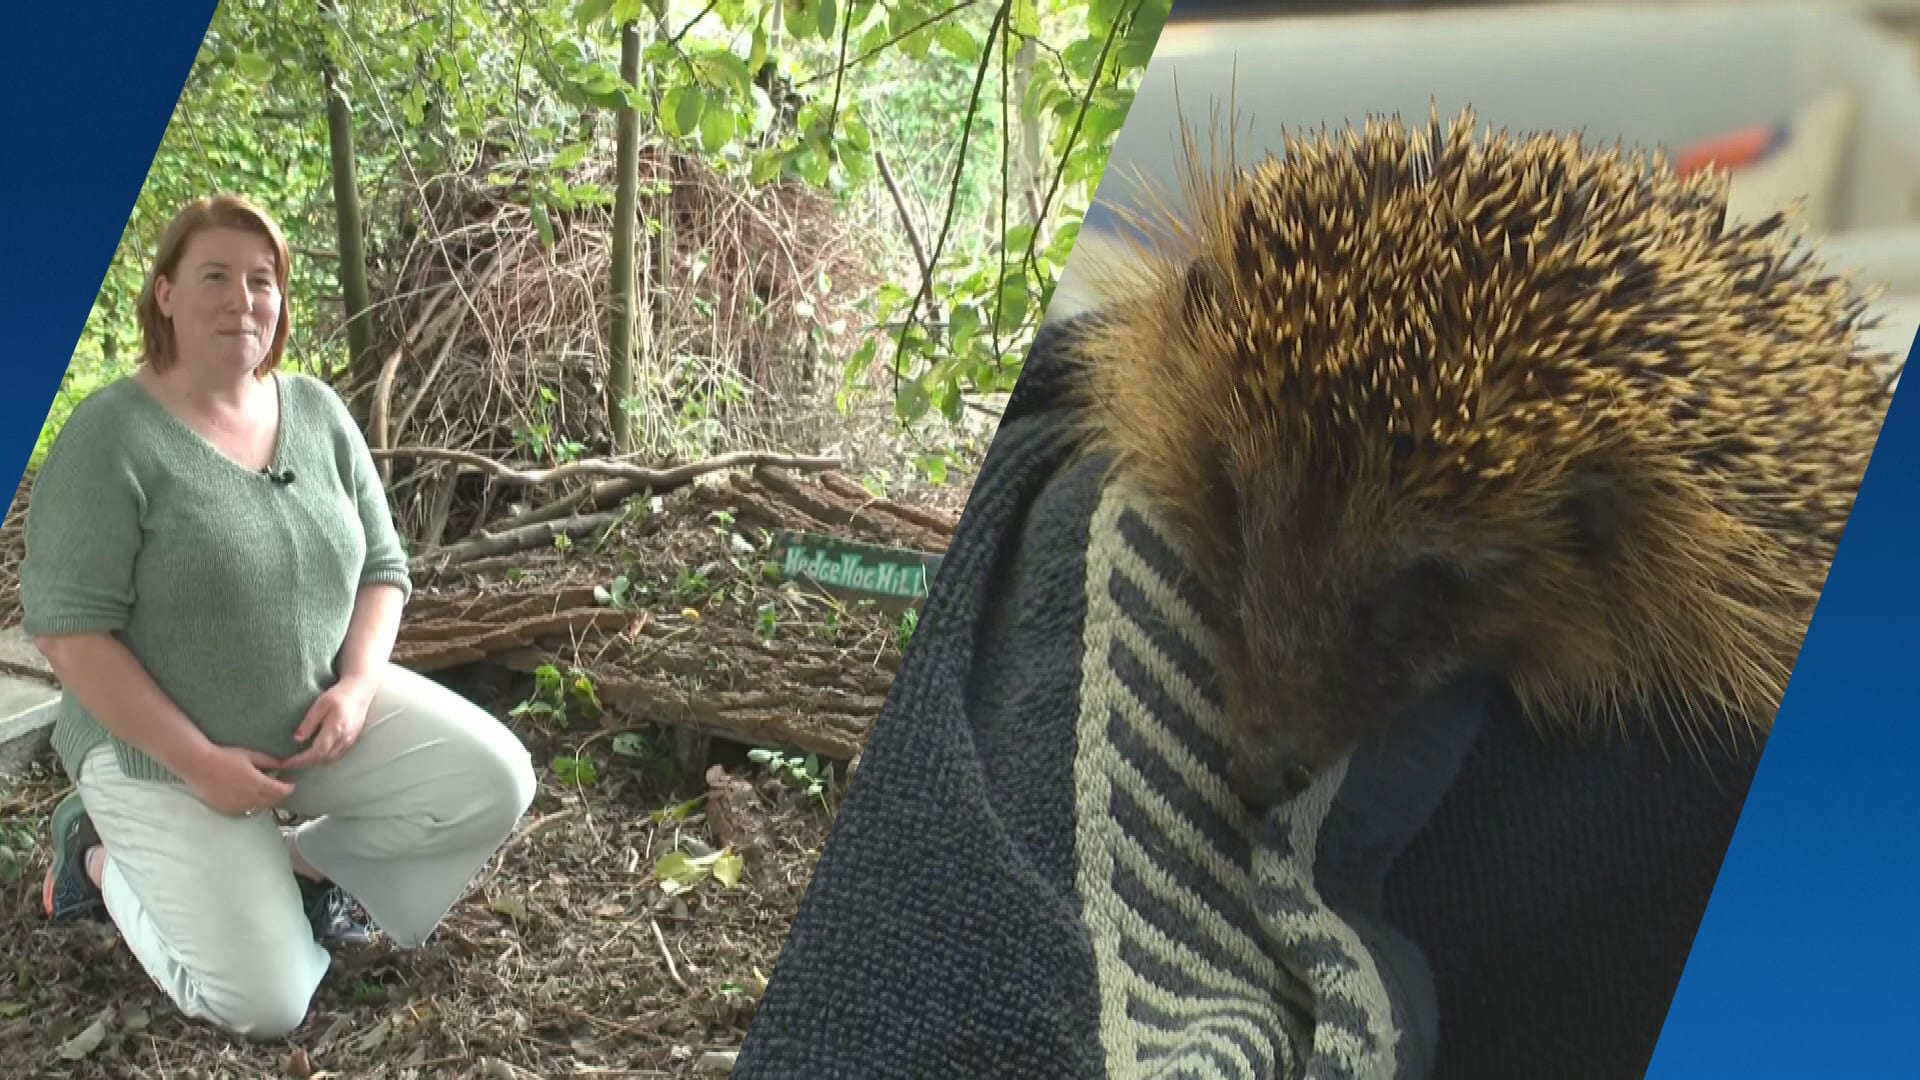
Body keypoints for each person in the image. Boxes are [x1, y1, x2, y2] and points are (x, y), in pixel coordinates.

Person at [19, 194, 538, 1041]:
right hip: (159, 757)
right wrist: (197, 762)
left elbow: (382, 569)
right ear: (165, 295)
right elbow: (69, 634)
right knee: (266, 1004)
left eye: (262, 280)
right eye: (215, 276)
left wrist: (361, 685)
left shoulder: (316, 410)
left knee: (492, 782)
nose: (242, 299)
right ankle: (98, 858)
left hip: (309, 722)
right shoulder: (110, 437)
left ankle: (298, 869)